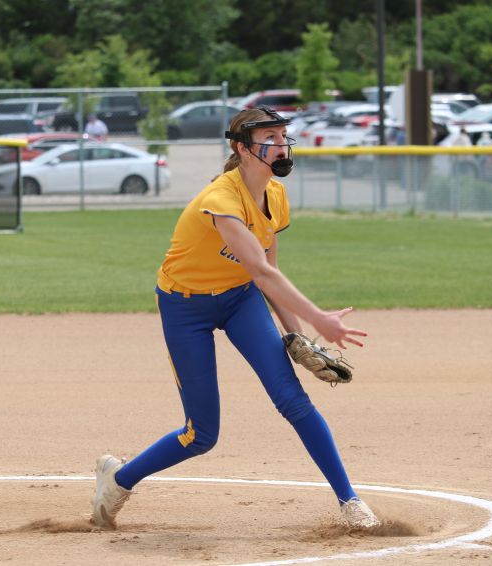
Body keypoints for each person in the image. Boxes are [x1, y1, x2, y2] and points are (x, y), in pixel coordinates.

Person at [90, 106, 381, 531]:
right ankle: (118, 479)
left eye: (283, 137)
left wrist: (295, 336)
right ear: (242, 149)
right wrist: (319, 317)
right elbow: (261, 270)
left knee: (293, 400)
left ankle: (350, 501)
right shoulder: (220, 199)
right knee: (202, 435)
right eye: (270, 138)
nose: (281, 145)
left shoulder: (276, 195)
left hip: (240, 300)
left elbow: (269, 273)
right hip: (184, 307)